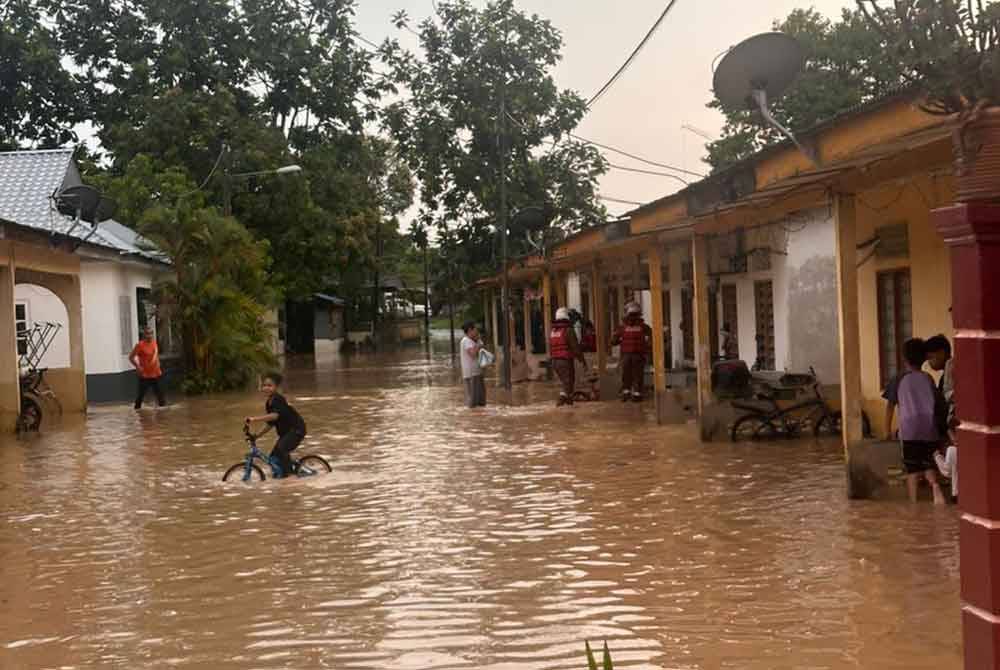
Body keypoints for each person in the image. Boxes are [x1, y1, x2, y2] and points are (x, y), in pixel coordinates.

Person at [883, 338, 947, 504]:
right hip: (929, 429)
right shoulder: (928, 378)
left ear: (904, 358)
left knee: (912, 469)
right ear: (924, 358)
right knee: (928, 464)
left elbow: (890, 406)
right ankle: (935, 488)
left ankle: (913, 505)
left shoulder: (898, 379)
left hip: (910, 431)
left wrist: (886, 431)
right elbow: (939, 404)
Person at [245, 372, 307, 478]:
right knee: (274, 457)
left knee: (282, 449)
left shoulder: (278, 399)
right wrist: (257, 436)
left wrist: (254, 419)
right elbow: (270, 424)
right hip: (286, 433)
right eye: (264, 385)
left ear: (276, 387)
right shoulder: (269, 403)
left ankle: (290, 477)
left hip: (296, 430)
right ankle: (284, 475)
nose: (266, 388)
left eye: (270, 385)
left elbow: (274, 416)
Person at [926, 334, 958, 503]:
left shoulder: (950, 366)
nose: (929, 363)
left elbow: (947, 402)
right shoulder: (945, 371)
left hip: (951, 426)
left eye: (931, 357)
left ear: (942, 352)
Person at [611, 302, 653, 402]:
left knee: (626, 375)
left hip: (626, 356)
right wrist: (647, 347)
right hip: (639, 355)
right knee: (638, 375)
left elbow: (613, 341)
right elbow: (653, 339)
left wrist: (620, 340)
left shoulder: (622, 327)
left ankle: (626, 393)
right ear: (639, 313)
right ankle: (637, 394)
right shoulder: (644, 327)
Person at [549, 307, 587, 406]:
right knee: (568, 383)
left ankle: (569, 405)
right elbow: (575, 348)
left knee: (566, 383)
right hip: (565, 361)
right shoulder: (568, 330)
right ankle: (561, 402)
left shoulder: (553, 331)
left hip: (555, 362)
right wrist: (582, 360)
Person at [129, 327, 166, 409]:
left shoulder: (154, 343)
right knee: (140, 398)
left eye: (151, 333)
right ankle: (137, 413)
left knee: (161, 398)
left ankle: (162, 418)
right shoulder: (139, 345)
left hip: (156, 374)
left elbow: (155, 357)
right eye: (147, 334)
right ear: (144, 335)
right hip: (144, 375)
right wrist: (137, 366)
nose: (149, 335)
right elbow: (131, 357)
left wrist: (158, 364)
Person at [460, 321, 486, 408]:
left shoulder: (473, 341)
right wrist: (478, 344)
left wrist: (478, 342)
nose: (477, 331)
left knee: (481, 401)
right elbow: (473, 354)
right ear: (470, 330)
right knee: (472, 402)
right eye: (475, 329)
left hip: (477, 372)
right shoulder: (466, 341)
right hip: (471, 374)